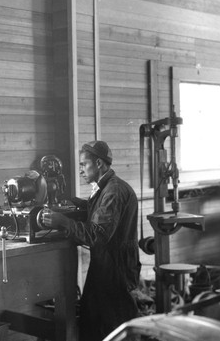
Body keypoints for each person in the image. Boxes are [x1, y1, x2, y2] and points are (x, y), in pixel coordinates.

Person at [42, 140, 141, 340]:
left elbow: (96, 235)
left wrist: (63, 221)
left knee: (113, 327)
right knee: (95, 320)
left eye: (83, 164)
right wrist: (72, 203)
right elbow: (97, 211)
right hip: (108, 264)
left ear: (98, 164)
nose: (80, 170)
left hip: (115, 269)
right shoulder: (107, 187)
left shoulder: (113, 191)